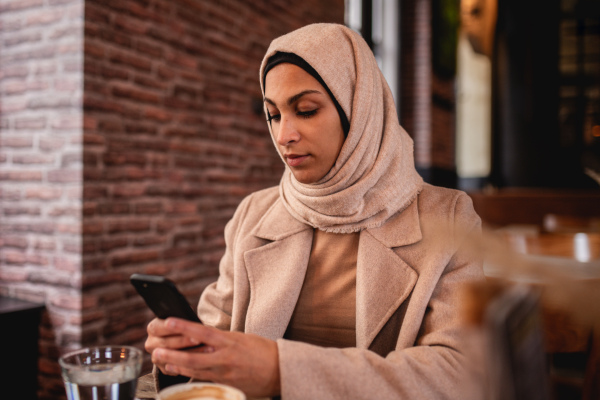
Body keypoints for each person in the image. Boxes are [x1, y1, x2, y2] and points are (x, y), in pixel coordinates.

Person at [145, 23, 484, 399]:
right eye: (273, 115)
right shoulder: (254, 215)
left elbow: (457, 373)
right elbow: (219, 339)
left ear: (357, 109)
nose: (283, 134)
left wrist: (280, 371)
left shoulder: (448, 218)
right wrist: (186, 354)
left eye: (305, 110)